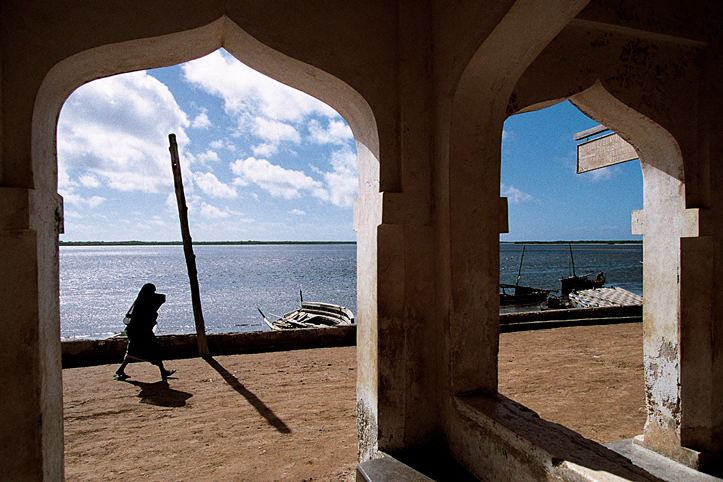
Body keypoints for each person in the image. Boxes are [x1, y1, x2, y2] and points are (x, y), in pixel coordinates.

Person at [114, 283, 176, 381]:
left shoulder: (140, 302)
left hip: (135, 332)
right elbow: (161, 299)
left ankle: (120, 370)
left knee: (131, 352)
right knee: (154, 350)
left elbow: (161, 298)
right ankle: (163, 371)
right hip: (143, 333)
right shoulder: (145, 304)